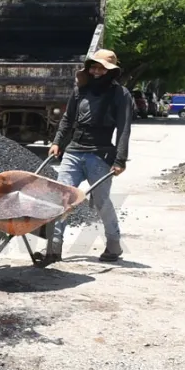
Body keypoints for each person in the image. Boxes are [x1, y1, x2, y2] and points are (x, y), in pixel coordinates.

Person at [43, 49, 133, 264]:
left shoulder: (121, 95)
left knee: (101, 202)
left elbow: (124, 129)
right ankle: (53, 249)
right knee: (62, 198)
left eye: (101, 68)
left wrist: (120, 160)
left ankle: (113, 244)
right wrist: (57, 142)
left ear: (111, 71)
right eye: (93, 66)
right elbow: (67, 119)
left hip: (100, 156)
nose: (96, 71)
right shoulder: (80, 91)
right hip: (73, 152)